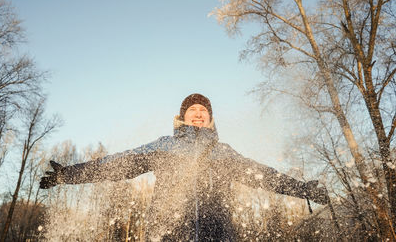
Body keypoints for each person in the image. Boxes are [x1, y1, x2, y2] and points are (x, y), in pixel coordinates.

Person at [40, 93, 328, 241]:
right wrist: (69, 175)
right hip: (168, 234)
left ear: (210, 119)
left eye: (204, 111)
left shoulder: (224, 152)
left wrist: (303, 188)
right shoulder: (164, 146)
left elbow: (262, 175)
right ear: (183, 117)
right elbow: (119, 164)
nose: (199, 114)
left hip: (220, 235)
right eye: (193, 110)